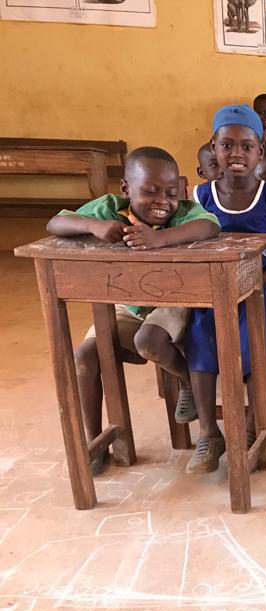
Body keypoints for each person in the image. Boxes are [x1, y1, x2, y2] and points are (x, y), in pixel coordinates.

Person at [47, 147, 221, 474]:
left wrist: (162, 239)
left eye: (171, 192)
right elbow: (55, 222)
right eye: (150, 191)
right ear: (126, 190)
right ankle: (95, 439)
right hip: (126, 306)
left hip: (173, 302)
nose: (162, 201)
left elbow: (209, 227)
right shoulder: (111, 210)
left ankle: (185, 379)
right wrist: (93, 227)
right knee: (85, 356)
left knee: (149, 340)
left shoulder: (184, 214)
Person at [187, 104, 266, 474]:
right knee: (201, 336)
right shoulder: (200, 197)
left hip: (264, 290)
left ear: (259, 152)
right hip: (215, 292)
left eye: (246, 146)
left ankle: (252, 428)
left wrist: (256, 284)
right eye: (227, 145)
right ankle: (208, 432)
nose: (237, 154)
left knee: (252, 339)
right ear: (213, 148)